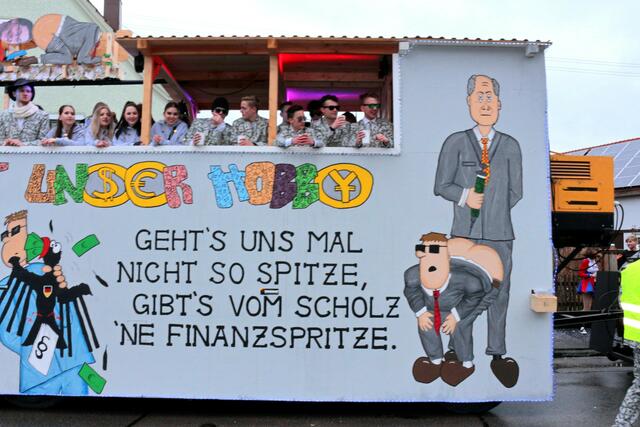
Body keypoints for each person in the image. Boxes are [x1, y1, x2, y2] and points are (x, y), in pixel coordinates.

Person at [433, 74, 523, 388]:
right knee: (461, 292)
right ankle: (458, 352)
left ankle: (498, 353)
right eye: (479, 97)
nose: (485, 104)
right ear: (469, 102)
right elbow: (441, 185)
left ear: (499, 104)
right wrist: (465, 197)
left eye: (490, 98)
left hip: (500, 234)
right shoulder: (455, 142)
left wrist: (493, 211)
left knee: (499, 294)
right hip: (463, 235)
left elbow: (516, 191)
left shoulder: (510, 145)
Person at [0, 210, 94, 394]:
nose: (7, 240)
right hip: (64, 360)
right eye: (5, 235)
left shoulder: (39, 275)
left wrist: (33, 349)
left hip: (43, 368)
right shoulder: (50, 274)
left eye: (13, 232)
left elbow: (8, 334)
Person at [404, 232, 502, 386]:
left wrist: (456, 316)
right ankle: (435, 360)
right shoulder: (413, 276)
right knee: (426, 324)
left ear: (446, 256)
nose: (427, 254)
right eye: (422, 249)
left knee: (461, 326)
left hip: (473, 299)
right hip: (435, 307)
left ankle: (466, 364)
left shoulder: (468, 281)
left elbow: (474, 297)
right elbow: (412, 292)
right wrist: (421, 312)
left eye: (435, 250)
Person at [613, 259, 640, 426]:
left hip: (637, 336)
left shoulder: (629, 270)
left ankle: (622, 423)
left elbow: (621, 301)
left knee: (638, 387)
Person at [0, 79, 49, 146]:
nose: (25, 93)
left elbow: (44, 140)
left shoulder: (42, 115)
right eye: (21, 91)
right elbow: (1, 139)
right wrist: (6, 142)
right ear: (14, 93)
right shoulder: (3, 115)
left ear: (31, 94)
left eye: (28, 91)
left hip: (32, 152)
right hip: (7, 152)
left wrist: (23, 144)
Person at [577, 249, 598, 321]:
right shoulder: (586, 261)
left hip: (593, 282)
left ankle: (587, 320)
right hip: (587, 283)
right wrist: (589, 275)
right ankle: (582, 321)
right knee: (586, 307)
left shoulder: (594, 261)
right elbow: (580, 273)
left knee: (589, 306)